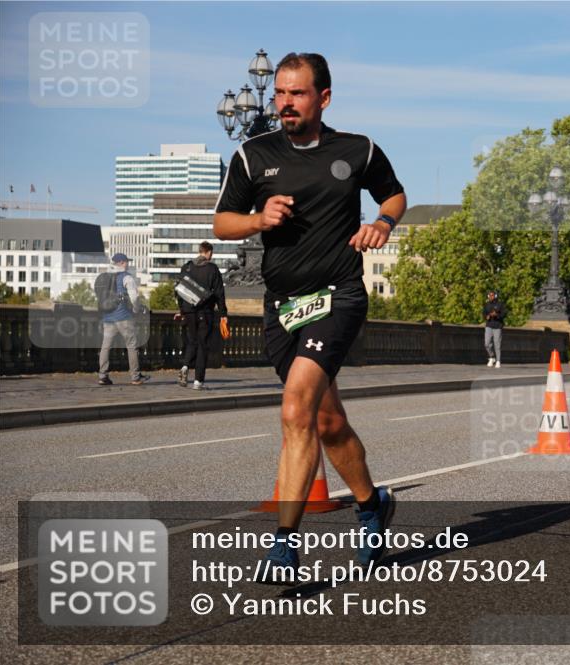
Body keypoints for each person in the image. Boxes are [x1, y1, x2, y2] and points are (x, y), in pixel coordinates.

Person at [214, 52, 406, 581]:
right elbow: (221, 222)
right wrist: (257, 218)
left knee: (297, 408)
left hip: (338, 294)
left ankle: (283, 548)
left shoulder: (357, 149)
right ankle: (372, 505)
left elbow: (393, 195)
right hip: (282, 307)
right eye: (278, 93)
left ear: (323, 97)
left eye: (296, 94)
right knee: (327, 422)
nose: (284, 104)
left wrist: (383, 225)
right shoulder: (254, 156)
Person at [174, 241, 228, 390]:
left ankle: (185, 367)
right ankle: (198, 381)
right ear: (209, 252)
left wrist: (182, 310)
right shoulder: (212, 269)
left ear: (199, 251)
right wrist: (223, 313)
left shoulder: (187, 267)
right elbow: (219, 293)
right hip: (205, 311)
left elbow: (178, 290)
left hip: (189, 311)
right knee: (203, 345)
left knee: (192, 341)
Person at [98, 253, 150, 386]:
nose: (128, 264)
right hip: (123, 317)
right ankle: (135, 377)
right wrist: (136, 310)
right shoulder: (127, 277)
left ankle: (103, 376)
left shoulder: (105, 277)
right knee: (132, 346)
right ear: (121, 262)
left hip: (108, 317)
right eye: (127, 262)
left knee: (105, 347)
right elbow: (134, 298)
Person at [482, 290, 505, 368]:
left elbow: (503, 314)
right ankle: (492, 357)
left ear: (495, 296)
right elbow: (484, 314)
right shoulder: (486, 304)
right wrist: (486, 316)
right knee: (487, 344)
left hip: (497, 326)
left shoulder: (500, 304)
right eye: (489, 295)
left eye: (492, 295)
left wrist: (496, 315)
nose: (490, 297)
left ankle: (498, 361)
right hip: (489, 325)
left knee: (497, 344)